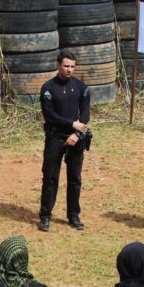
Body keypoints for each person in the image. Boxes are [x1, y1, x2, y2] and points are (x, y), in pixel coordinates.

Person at [38, 51, 90, 232]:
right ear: (58, 65)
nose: (69, 70)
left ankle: (73, 216)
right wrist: (71, 123)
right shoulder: (48, 88)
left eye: (72, 66)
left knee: (75, 179)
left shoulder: (81, 87)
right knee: (50, 178)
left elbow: (85, 114)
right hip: (55, 138)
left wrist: (76, 133)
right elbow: (49, 115)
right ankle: (45, 216)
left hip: (75, 139)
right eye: (66, 66)